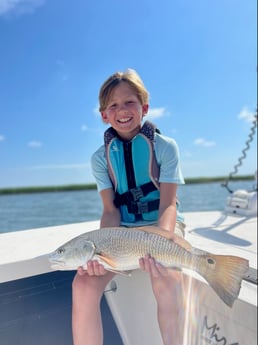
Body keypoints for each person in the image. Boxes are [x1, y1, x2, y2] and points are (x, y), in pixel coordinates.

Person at [72, 69, 188, 345]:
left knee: (167, 280)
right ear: (104, 115)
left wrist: (161, 243)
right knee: (83, 284)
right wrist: (100, 254)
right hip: (122, 231)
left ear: (144, 107)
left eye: (129, 102)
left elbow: (168, 204)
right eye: (113, 105)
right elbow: (110, 210)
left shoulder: (166, 147)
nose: (121, 110)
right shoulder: (100, 159)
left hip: (162, 227)